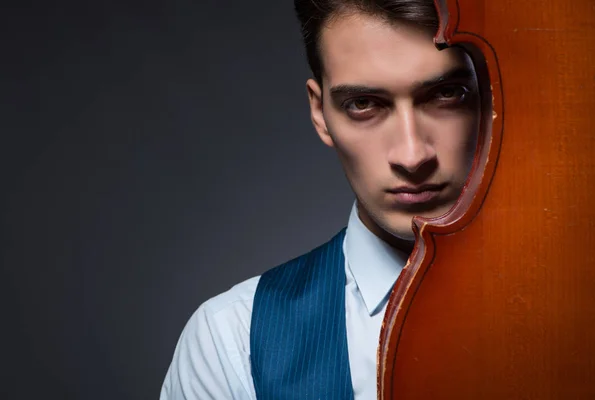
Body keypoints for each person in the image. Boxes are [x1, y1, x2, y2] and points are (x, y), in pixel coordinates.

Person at [160, 0, 481, 398]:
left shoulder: (579, 308)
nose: (412, 155)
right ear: (320, 112)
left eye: (447, 94)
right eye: (364, 104)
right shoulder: (232, 339)